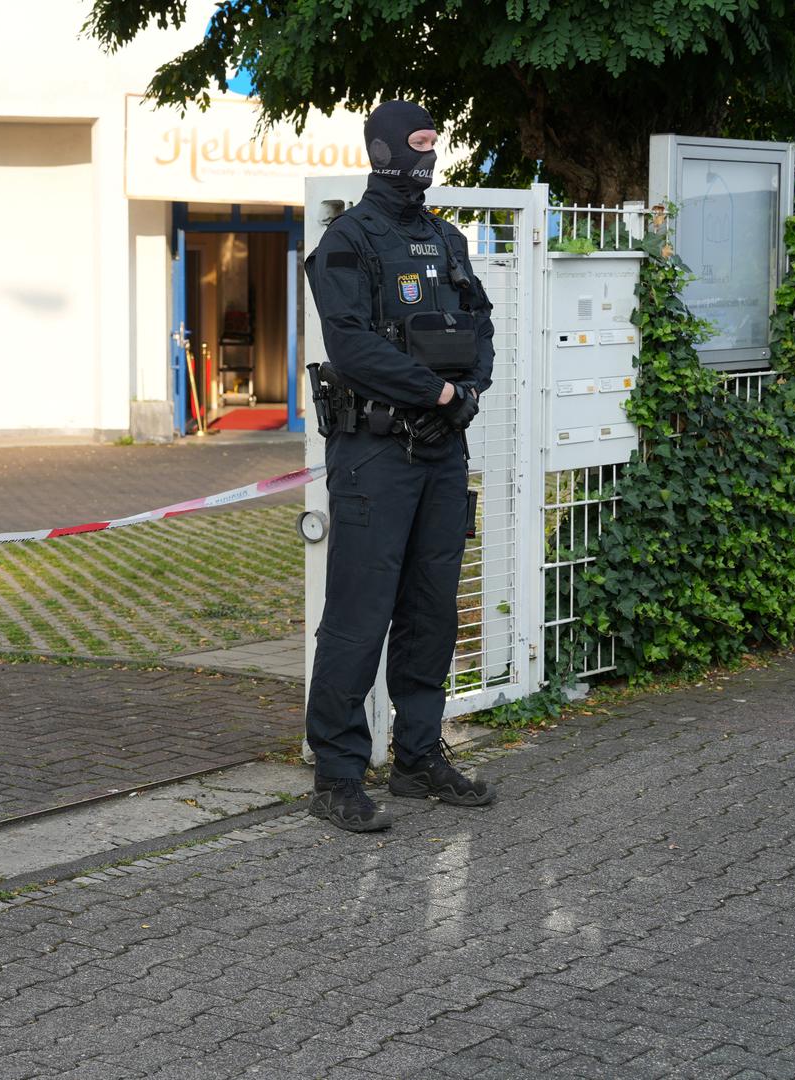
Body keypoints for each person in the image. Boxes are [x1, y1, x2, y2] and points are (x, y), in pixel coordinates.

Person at [301, 100, 498, 833]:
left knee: (430, 612)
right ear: (383, 148)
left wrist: (469, 388)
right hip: (375, 456)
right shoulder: (348, 239)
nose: (429, 154)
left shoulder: (446, 240)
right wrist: (438, 391)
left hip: (443, 451)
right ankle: (336, 776)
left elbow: (479, 326)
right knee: (358, 617)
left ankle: (416, 760)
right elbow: (351, 345)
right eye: (418, 142)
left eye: (433, 142)